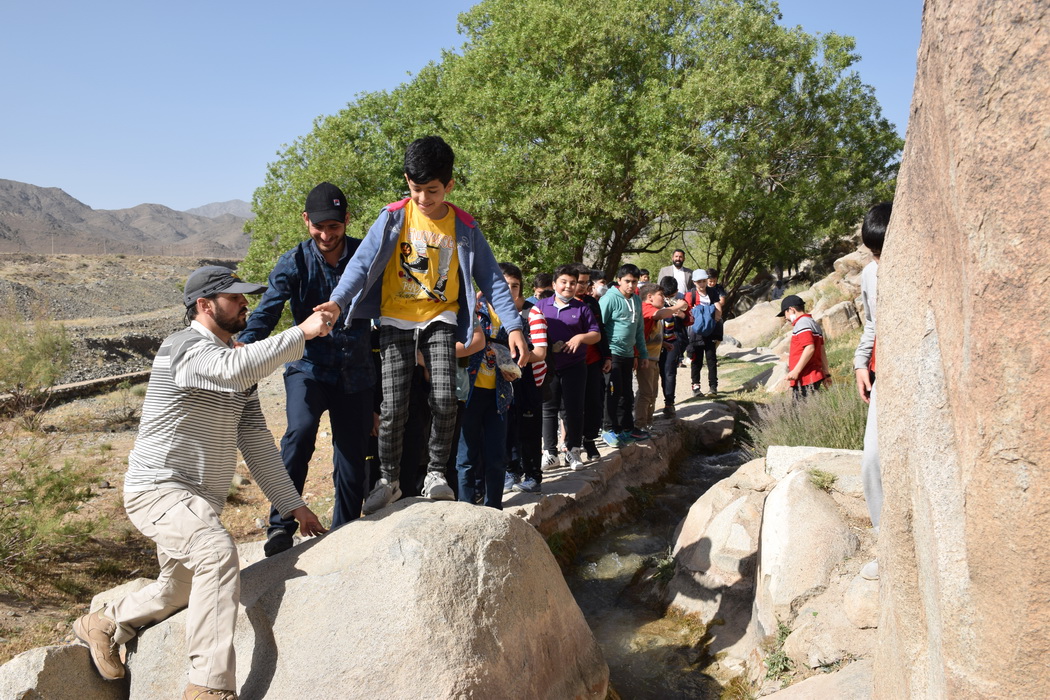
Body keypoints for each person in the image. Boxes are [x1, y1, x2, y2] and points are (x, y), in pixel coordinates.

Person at [73, 266, 330, 700]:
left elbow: (255, 441)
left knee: (180, 589)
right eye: (235, 298)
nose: (246, 303)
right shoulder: (184, 348)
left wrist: (292, 504)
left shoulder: (233, 359)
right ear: (205, 305)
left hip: (197, 503)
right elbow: (231, 368)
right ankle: (209, 687)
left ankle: (104, 619)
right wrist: (301, 332)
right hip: (158, 489)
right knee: (214, 551)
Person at [316, 136, 528, 514]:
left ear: (449, 185)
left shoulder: (464, 226)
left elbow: (492, 278)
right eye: (416, 190)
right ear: (407, 182)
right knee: (395, 407)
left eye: (432, 190)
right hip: (396, 319)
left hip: (441, 319)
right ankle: (389, 479)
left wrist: (512, 326)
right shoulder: (395, 215)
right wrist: (337, 301)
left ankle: (435, 474)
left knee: (445, 398)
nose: (424, 199)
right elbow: (360, 264)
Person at [239, 182, 374, 558]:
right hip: (308, 368)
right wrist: (244, 352)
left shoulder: (366, 255)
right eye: (319, 227)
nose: (326, 235)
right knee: (299, 433)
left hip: (357, 374)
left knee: (351, 457)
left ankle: (346, 530)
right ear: (306, 222)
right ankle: (281, 525)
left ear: (346, 220)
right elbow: (267, 311)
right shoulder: (293, 262)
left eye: (334, 226)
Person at [854, 202, 891, 580]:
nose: (878, 261)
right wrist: (860, 362)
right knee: (872, 461)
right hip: (883, 374)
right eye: (874, 253)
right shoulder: (869, 274)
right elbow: (872, 324)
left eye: (883, 252)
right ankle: (887, 546)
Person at [536, 264, 601, 469]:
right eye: (564, 282)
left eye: (573, 283)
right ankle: (550, 453)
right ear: (555, 283)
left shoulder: (582, 307)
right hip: (549, 366)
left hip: (575, 366)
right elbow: (531, 331)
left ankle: (573, 450)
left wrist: (580, 337)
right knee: (548, 408)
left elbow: (596, 334)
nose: (568, 286)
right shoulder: (541, 306)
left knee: (573, 409)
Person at [499, 263, 548, 494]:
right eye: (504, 285)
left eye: (515, 286)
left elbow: (541, 352)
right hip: (500, 380)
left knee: (528, 428)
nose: (510, 291)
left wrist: (518, 362)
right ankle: (511, 470)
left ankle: (533, 475)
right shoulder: (490, 312)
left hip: (529, 379)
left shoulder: (533, 313)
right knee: (508, 427)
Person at [600, 264, 648, 447]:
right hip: (612, 353)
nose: (631, 285)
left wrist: (641, 354)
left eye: (634, 282)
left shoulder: (636, 300)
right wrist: (605, 355)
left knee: (627, 393)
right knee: (612, 392)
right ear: (619, 280)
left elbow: (639, 330)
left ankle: (626, 429)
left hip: (629, 354)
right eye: (627, 281)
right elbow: (600, 327)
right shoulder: (609, 299)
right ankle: (608, 429)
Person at [636, 283, 687, 429]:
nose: (663, 299)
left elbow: (651, 335)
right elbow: (659, 315)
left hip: (654, 359)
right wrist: (677, 306)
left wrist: (664, 344)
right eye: (661, 295)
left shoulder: (656, 310)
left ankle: (648, 422)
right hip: (644, 359)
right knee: (646, 393)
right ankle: (639, 424)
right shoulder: (646, 308)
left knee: (653, 393)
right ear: (650, 297)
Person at [574, 264, 611, 461]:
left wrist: (607, 356)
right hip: (571, 362)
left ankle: (589, 440)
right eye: (580, 282)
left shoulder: (591, 302)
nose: (583, 286)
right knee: (573, 405)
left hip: (594, 360)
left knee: (594, 402)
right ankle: (571, 444)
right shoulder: (560, 303)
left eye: (586, 282)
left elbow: (600, 330)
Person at [777, 294, 831, 399]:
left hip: (805, 377)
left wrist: (796, 371)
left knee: (800, 412)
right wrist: (826, 373)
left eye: (785, 313)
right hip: (813, 376)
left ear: (791, 310)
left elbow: (810, 348)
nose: (785, 318)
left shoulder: (802, 323)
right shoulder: (813, 323)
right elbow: (822, 351)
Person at [658, 276, 688, 418]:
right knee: (654, 374)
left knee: (669, 372)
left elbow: (689, 319)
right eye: (665, 296)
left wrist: (681, 314)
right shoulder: (654, 301)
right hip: (655, 343)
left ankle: (669, 403)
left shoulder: (681, 301)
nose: (668, 298)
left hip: (673, 342)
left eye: (671, 296)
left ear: (676, 292)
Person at [685, 269, 719, 396]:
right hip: (696, 331)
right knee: (697, 360)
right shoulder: (691, 295)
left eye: (704, 281)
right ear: (694, 282)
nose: (702, 284)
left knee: (711, 358)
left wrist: (717, 315)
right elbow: (686, 310)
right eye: (699, 282)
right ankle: (696, 387)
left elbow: (718, 307)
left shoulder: (712, 292)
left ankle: (713, 387)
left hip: (710, 329)